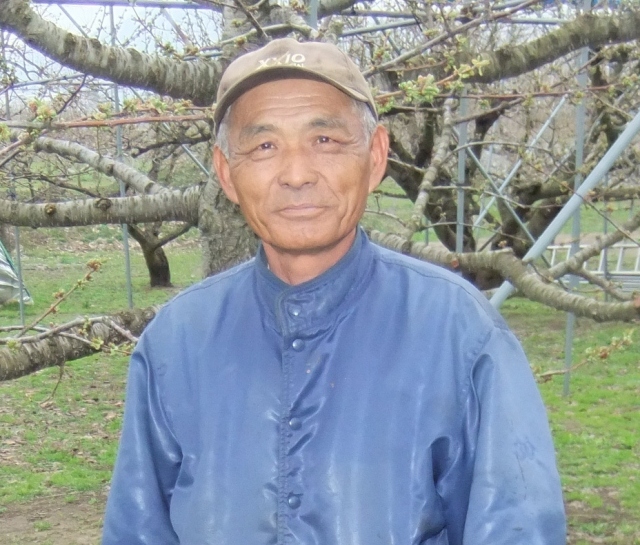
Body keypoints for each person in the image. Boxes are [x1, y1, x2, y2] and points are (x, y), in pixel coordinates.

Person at [102, 38, 566, 544]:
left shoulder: (461, 335)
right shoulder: (176, 342)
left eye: (324, 140)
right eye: (264, 146)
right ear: (225, 173)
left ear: (375, 155)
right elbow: (137, 529)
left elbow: (517, 529)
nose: (297, 174)